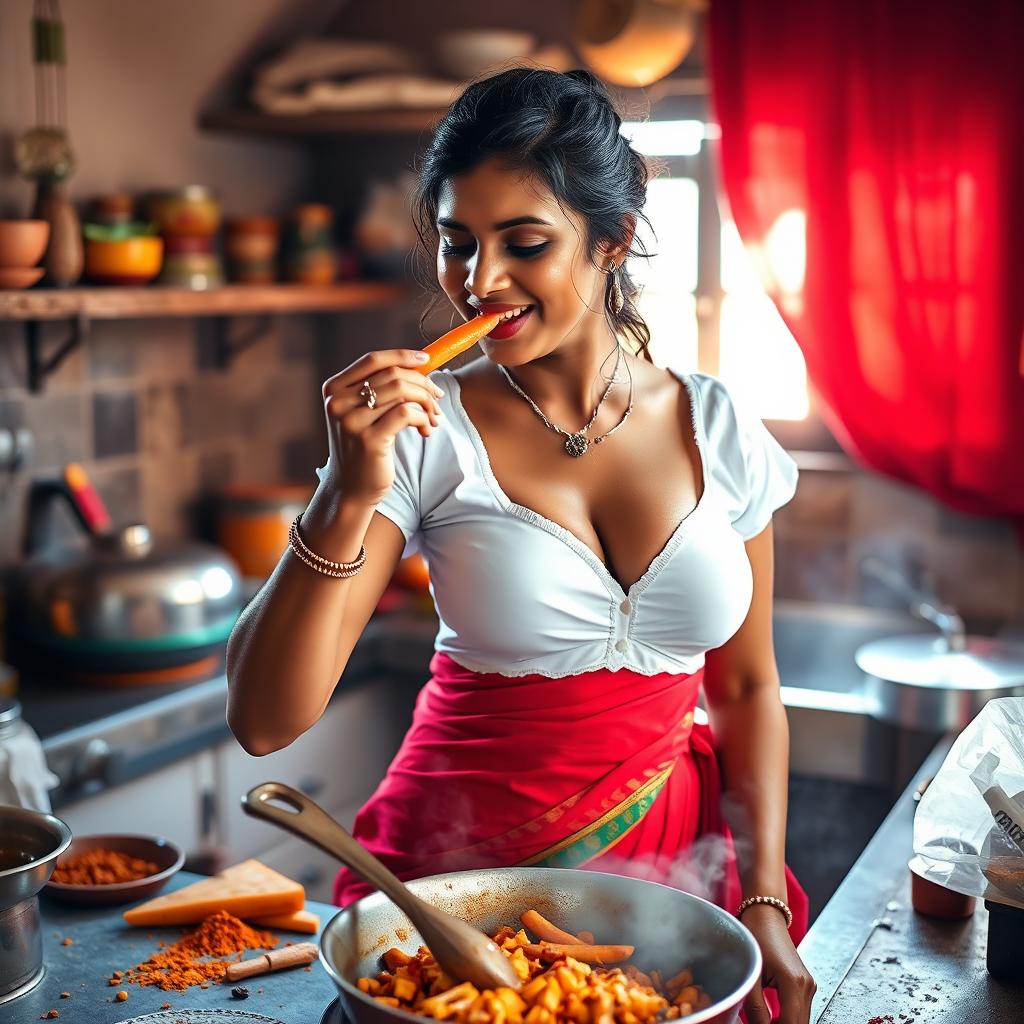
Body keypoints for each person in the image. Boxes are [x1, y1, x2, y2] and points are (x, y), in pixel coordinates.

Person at [226, 67, 815, 1024]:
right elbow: (263, 723)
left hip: (674, 877)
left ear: (613, 240)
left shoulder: (718, 426)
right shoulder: (425, 432)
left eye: (525, 244)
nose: (479, 283)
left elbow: (746, 688)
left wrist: (762, 906)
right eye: (458, 245)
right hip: (461, 887)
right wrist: (346, 487)